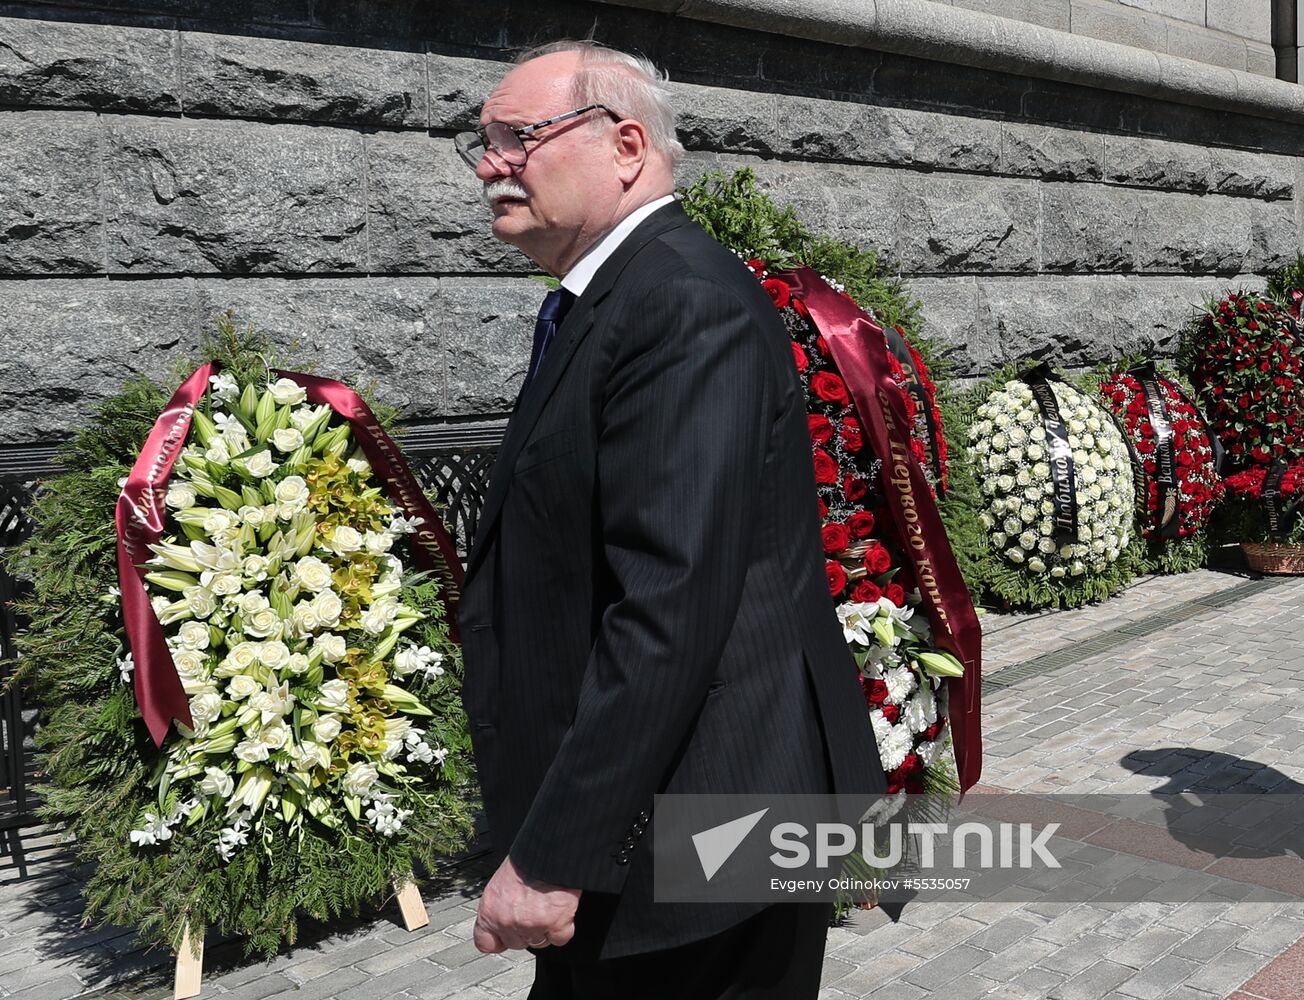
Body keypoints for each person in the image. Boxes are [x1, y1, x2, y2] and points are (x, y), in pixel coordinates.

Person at [454, 40, 886, 999]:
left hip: (705, 833)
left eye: (518, 137)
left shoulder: (680, 301)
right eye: (480, 142)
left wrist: (553, 856)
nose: (489, 164)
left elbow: (669, 604)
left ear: (626, 147)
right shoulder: (615, 294)